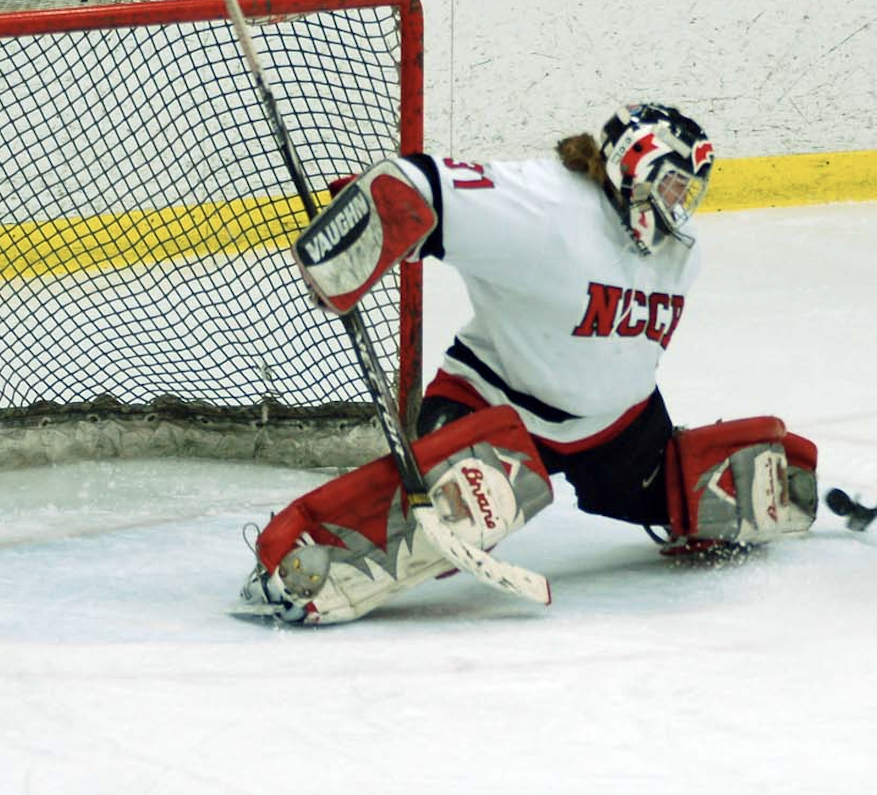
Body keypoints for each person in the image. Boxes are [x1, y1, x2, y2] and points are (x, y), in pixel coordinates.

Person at [241, 103, 820, 623]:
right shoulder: (545, 207)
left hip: (621, 432)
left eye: (687, 192)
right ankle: (299, 560)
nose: (678, 207)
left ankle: (670, 485)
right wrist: (363, 226)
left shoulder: (679, 252)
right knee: (443, 528)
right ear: (633, 168)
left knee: (697, 496)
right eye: (671, 186)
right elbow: (419, 187)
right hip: (494, 407)